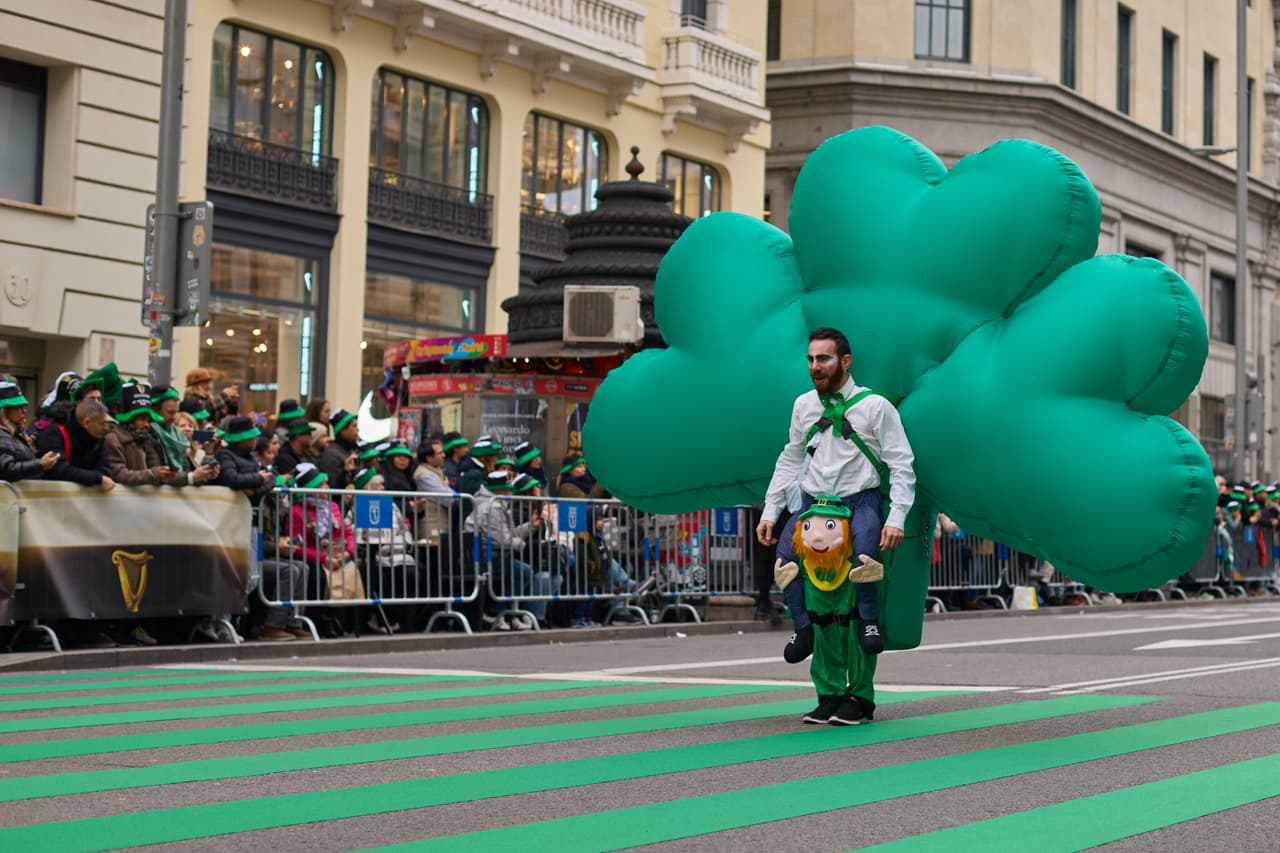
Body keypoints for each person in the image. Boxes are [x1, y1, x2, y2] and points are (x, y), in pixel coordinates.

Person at [757, 327, 915, 703]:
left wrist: (896, 517)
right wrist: (771, 510)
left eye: (824, 358)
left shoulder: (875, 407)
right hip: (812, 509)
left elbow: (901, 463)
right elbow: (791, 457)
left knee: (858, 591)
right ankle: (813, 659)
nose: (815, 366)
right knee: (795, 579)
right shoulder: (803, 405)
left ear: (846, 362)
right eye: (811, 359)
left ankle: (860, 686)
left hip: (859, 504)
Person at [35, 398, 115, 492]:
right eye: (102, 423)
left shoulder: (98, 438)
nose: (105, 428)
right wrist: (97, 478)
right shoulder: (54, 433)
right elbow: (59, 470)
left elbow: (106, 469)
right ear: (87, 423)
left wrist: (98, 477)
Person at [0, 381, 58, 482]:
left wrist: (32, 449)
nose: (24, 411)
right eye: (18, 407)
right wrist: (40, 464)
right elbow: (6, 469)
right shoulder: (2, 435)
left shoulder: (14, 434)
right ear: (4, 411)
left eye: (24, 406)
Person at [214, 416, 274, 504]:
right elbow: (232, 479)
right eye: (253, 436)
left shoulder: (252, 456)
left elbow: (271, 478)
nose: (256, 438)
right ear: (242, 439)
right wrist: (259, 478)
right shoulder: (225, 456)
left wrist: (255, 492)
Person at [318, 407, 359, 489]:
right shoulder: (331, 455)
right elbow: (331, 487)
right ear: (342, 430)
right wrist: (345, 472)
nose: (358, 430)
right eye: (354, 426)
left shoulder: (349, 450)